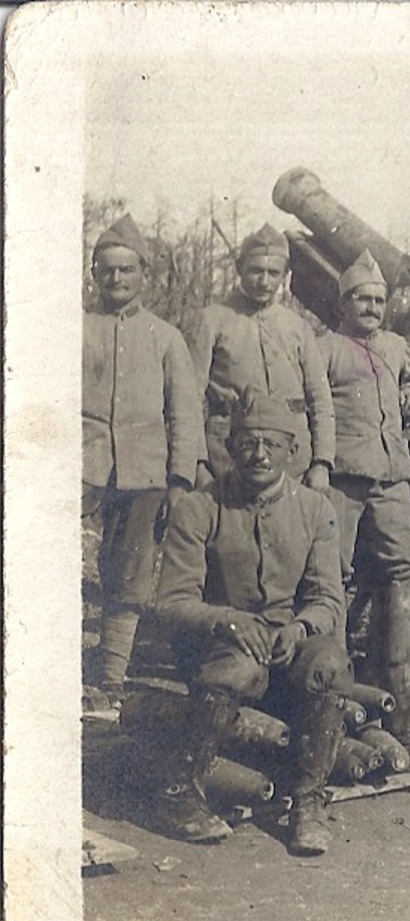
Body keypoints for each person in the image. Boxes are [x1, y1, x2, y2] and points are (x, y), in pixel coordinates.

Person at [151, 387, 348, 854]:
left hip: (288, 647)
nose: (259, 454)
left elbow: (327, 598)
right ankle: (179, 793)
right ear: (230, 446)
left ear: (292, 452)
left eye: (271, 444)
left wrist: (299, 629)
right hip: (220, 651)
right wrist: (227, 621)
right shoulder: (200, 507)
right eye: (247, 442)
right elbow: (172, 601)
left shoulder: (316, 510)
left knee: (331, 664)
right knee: (238, 667)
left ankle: (308, 802)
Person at [315, 250, 410, 767]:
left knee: (403, 573)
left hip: (392, 479)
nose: (370, 307)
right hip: (343, 479)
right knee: (333, 578)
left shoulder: (394, 346)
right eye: (360, 299)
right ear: (343, 303)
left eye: (377, 300)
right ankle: (333, 704)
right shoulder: (323, 348)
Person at [82, 214, 206, 708]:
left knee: (130, 572)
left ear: (143, 276)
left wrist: (179, 480)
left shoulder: (165, 337)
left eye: (127, 270)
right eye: (108, 270)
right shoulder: (77, 330)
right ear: (94, 274)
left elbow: (184, 413)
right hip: (84, 466)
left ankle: (110, 678)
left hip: (145, 473)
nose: (117, 279)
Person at [188, 223, 334, 489]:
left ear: (285, 275)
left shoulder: (297, 326)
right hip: (228, 455)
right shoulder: (211, 320)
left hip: (292, 459)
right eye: (256, 271)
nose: (264, 281)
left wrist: (322, 462)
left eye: (273, 273)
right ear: (239, 267)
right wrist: (198, 463)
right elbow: (190, 398)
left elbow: (320, 399)